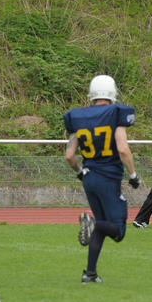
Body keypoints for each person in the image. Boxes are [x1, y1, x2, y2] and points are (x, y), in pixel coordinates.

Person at [64, 75, 140, 283]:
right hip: (108, 178)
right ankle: (92, 224)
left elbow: (69, 155)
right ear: (112, 92)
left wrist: (80, 172)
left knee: (103, 224)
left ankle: (90, 273)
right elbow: (123, 149)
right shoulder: (116, 113)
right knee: (118, 231)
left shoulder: (78, 116)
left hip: (89, 178)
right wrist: (133, 175)